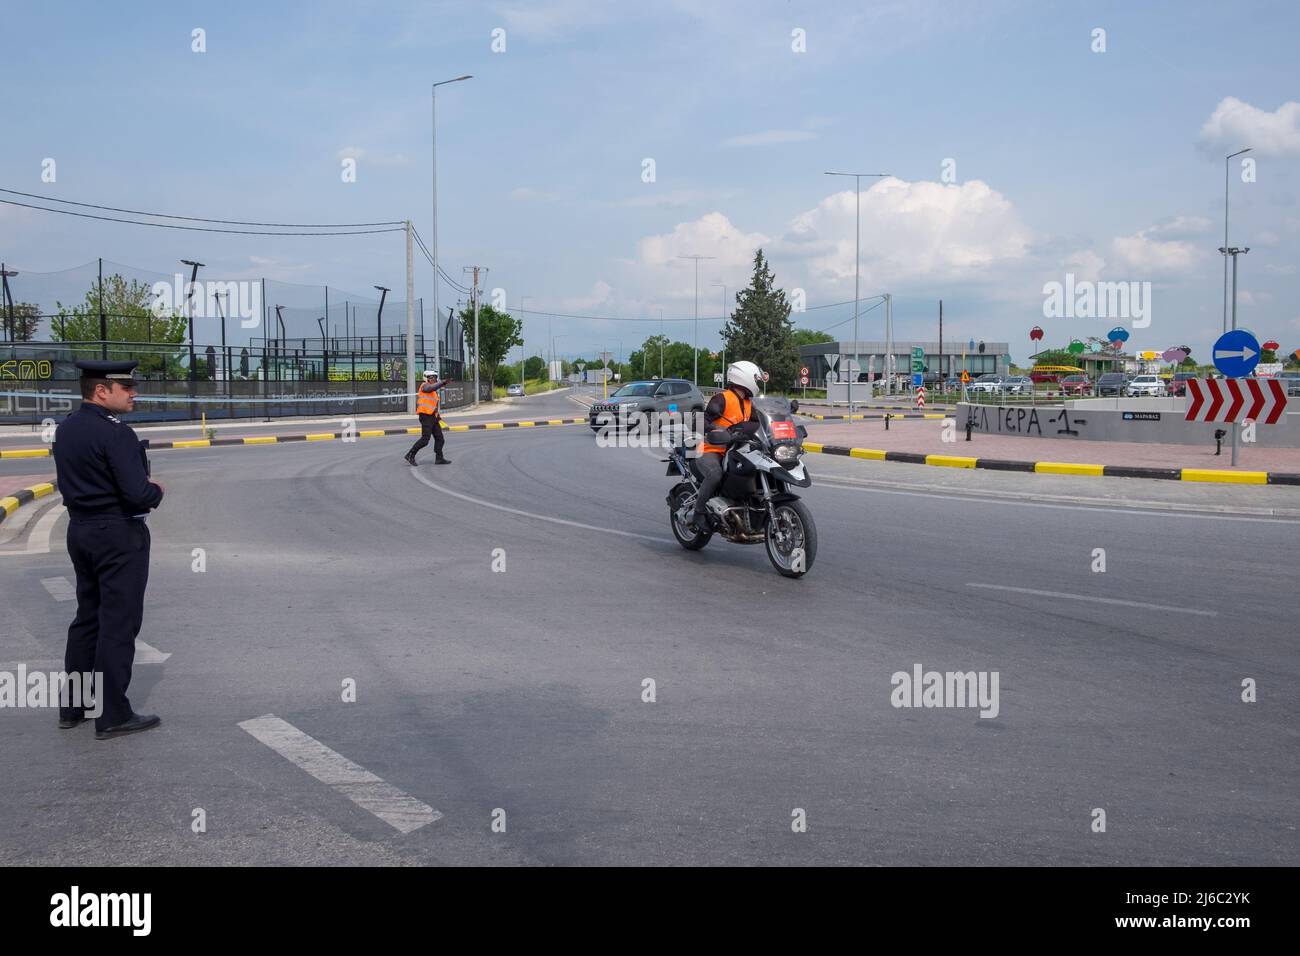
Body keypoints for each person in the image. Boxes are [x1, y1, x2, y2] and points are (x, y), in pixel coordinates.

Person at [52, 360, 164, 740]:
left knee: (88, 618)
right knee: (118, 623)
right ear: (102, 391)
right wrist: (157, 491)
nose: (134, 393)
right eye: (126, 387)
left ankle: (75, 706)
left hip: (80, 531)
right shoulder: (117, 434)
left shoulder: (66, 429)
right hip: (118, 534)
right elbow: (137, 493)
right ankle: (112, 712)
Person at [690, 360, 763, 532]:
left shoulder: (748, 403)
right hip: (711, 449)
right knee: (715, 474)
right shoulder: (722, 399)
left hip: (736, 450)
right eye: (756, 379)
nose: (757, 383)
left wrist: (786, 412)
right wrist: (715, 429)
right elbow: (700, 422)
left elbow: (761, 421)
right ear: (744, 378)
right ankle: (698, 513)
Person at [405, 370, 450, 465]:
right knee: (425, 440)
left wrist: (438, 416)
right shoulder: (424, 386)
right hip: (425, 416)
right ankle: (410, 455)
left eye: (434, 377)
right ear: (426, 378)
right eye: (431, 377)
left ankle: (439, 458)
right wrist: (442, 383)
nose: (433, 379)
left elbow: (433, 406)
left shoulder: (434, 392)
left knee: (440, 438)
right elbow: (429, 388)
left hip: (433, 417)